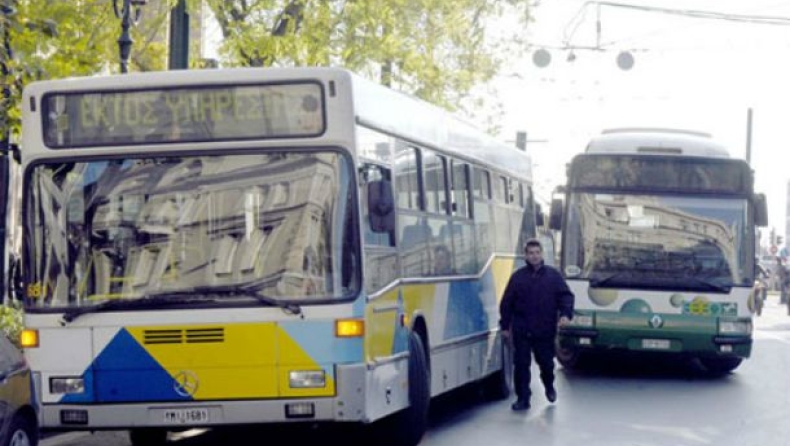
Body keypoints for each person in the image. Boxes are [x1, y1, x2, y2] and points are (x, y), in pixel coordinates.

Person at [499, 238, 574, 411]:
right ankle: (523, 398)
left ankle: (549, 385)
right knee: (521, 365)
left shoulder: (553, 276)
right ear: (526, 255)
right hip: (522, 329)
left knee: (546, 363)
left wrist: (565, 314)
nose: (534, 256)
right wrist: (505, 326)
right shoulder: (518, 278)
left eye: (537, 253)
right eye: (531, 253)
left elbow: (566, 297)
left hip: (544, 329)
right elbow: (506, 303)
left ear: (542, 254)